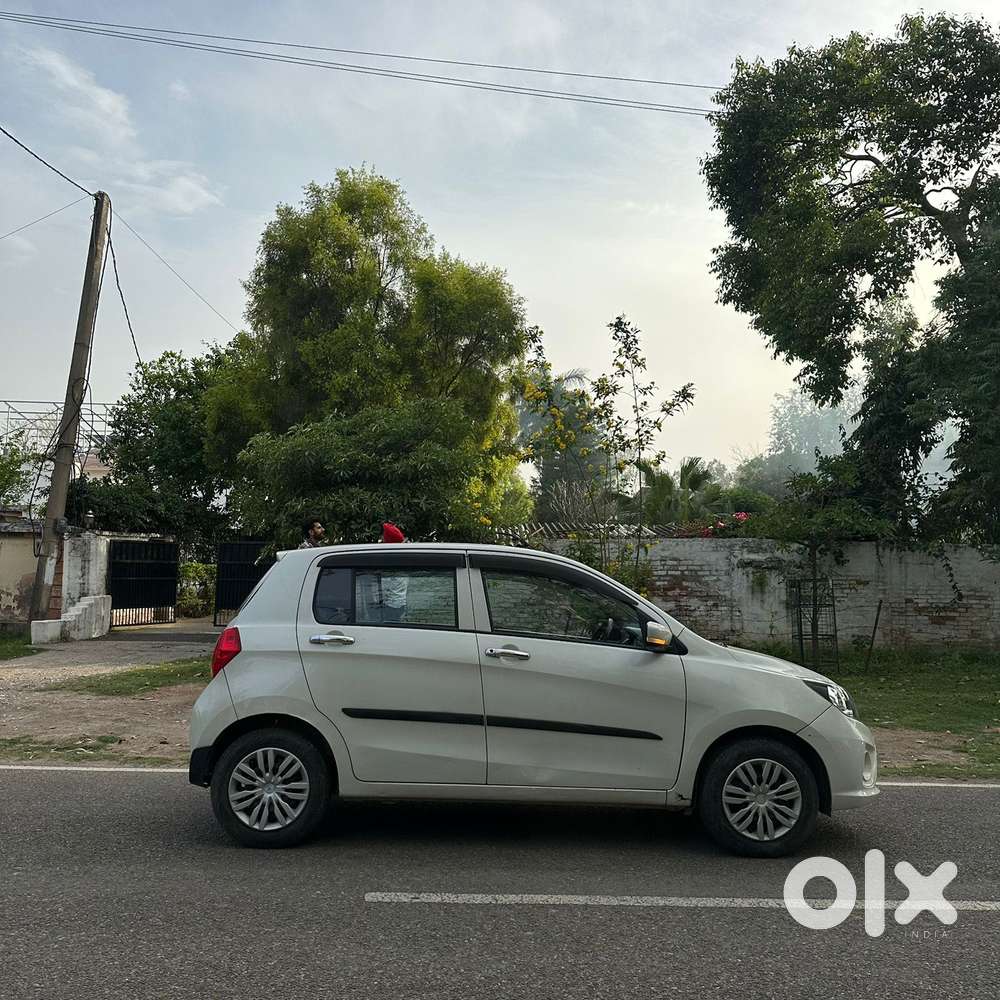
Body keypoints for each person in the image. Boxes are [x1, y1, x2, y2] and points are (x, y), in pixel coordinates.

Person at [377, 522, 407, 621]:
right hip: (398, 603)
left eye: (383, 538)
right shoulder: (402, 557)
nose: (381, 540)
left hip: (392, 605)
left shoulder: (392, 561)